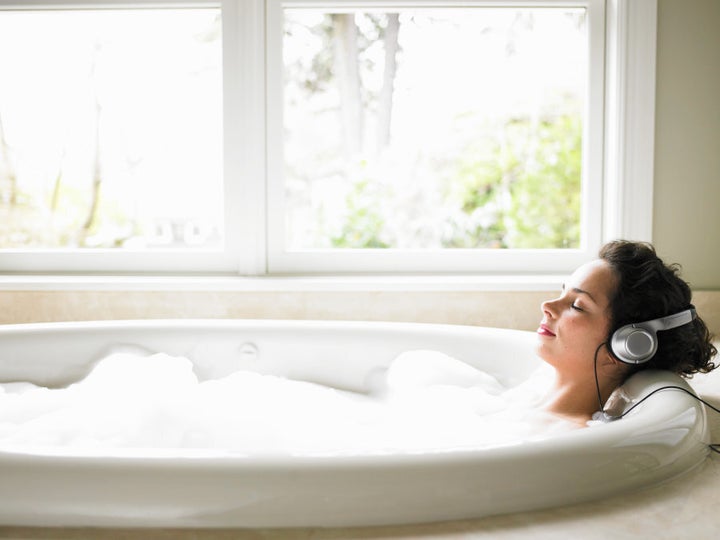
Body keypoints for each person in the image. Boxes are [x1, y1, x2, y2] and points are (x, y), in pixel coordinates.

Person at [536, 240, 717, 425]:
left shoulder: (565, 436)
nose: (547, 306)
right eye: (563, 292)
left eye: (577, 306)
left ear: (627, 344)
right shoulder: (522, 398)